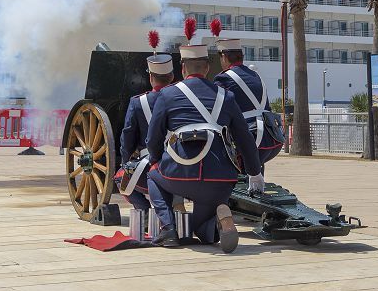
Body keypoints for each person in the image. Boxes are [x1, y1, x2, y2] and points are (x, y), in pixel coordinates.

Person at [145, 39, 263, 253]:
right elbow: (244, 139)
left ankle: (169, 229)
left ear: (182, 68)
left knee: (152, 174)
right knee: (205, 235)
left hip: (179, 175)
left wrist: (156, 159)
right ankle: (223, 213)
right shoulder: (226, 96)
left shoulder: (167, 95)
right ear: (208, 68)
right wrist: (255, 174)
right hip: (219, 180)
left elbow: (153, 138)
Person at [118, 34, 176, 219]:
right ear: (173, 76)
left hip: (150, 164)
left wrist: (125, 161)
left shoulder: (137, 103)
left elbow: (127, 136)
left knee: (121, 178)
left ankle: (143, 211)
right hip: (184, 165)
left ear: (150, 77)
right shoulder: (183, 99)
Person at [213, 36, 284, 169]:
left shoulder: (224, 78)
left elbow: (216, 112)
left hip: (250, 139)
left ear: (224, 56)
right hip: (271, 139)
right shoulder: (255, 75)